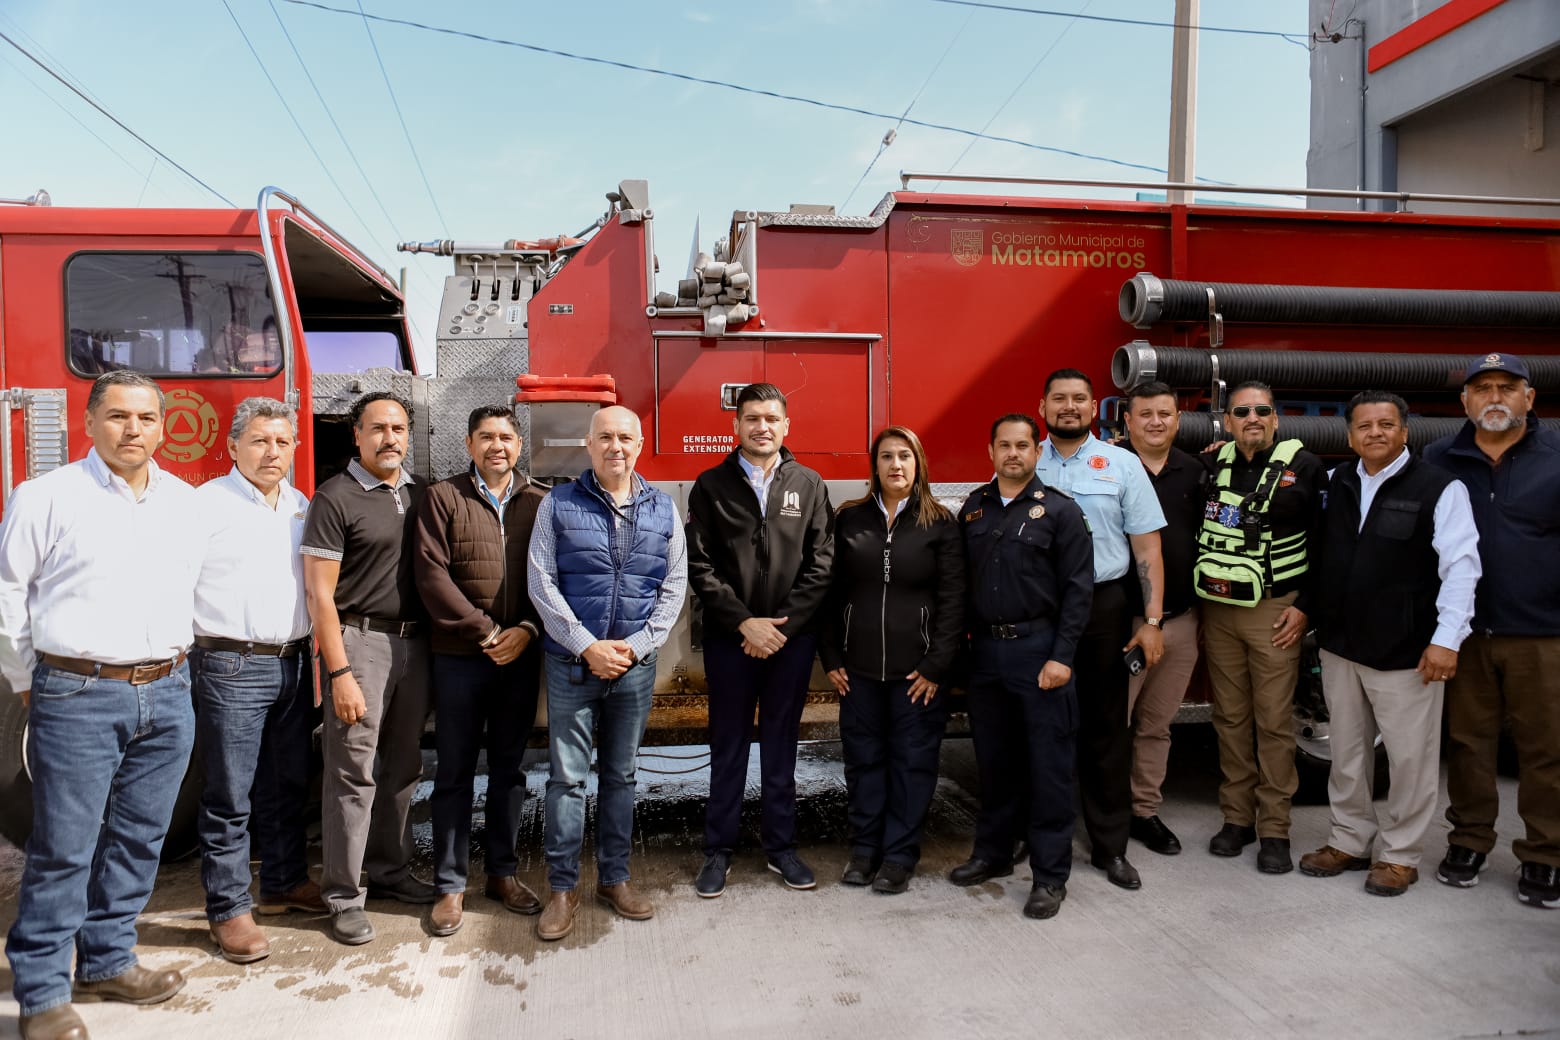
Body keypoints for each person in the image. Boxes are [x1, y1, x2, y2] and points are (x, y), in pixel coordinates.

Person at [0, 371, 201, 1040]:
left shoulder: (181, 501)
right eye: (118, 417)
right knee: (64, 848)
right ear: (90, 424)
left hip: (169, 691)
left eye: (146, 418)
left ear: (161, 427)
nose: (134, 429)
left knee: (140, 837)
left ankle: (109, 959)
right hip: (78, 692)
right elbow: (8, 598)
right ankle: (41, 995)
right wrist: (28, 680)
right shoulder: (45, 497)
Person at [1301, 391, 1480, 896]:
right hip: (1340, 647)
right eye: (1363, 426)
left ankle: (1400, 855)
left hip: (1406, 652)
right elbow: (1325, 556)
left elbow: (1461, 570)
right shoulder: (1338, 483)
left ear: (1405, 430)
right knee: (1347, 754)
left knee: (1409, 760)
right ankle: (1350, 840)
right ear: (1350, 435)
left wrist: (1447, 640)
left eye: (1385, 424)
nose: (1374, 433)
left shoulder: (1440, 488)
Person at [527, 405, 687, 939]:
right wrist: (586, 646)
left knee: (620, 776)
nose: (615, 446)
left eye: (625, 437)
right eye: (604, 438)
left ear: (639, 444)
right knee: (567, 780)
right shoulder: (558, 503)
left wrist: (639, 645)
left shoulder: (663, 508)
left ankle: (615, 879)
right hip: (573, 666)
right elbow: (541, 583)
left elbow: (673, 588)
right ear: (588, 445)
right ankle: (562, 889)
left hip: (633, 669)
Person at [1423, 353, 1560, 909]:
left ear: (1531, 398)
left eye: (1508, 387)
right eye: (1482, 389)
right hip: (1467, 632)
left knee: (1546, 749)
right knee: (1468, 744)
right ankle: (1469, 841)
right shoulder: (1439, 458)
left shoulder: (1557, 458)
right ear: (1465, 402)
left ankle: (1546, 854)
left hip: (1543, 633)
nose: (1495, 397)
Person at [688, 382, 834, 897]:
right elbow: (700, 566)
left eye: (771, 418)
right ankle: (718, 851)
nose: (761, 427)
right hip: (733, 641)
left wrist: (782, 627)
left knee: (781, 748)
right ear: (736, 425)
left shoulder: (809, 485)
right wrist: (744, 623)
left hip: (790, 643)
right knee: (726, 746)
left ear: (786, 425)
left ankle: (781, 848)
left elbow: (822, 564)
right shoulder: (710, 485)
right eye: (751, 418)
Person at [192, 397, 322, 965]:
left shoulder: (298, 505)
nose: (273, 453)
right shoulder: (204, 505)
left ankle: (284, 883)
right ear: (234, 447)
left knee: (287, 783)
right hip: (229, 665)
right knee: (230, 793)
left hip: (292, 662)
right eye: (260, 442)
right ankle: (227, 908)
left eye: (282, 442)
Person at [950, 414, 1094, 919]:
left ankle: (1050, 877)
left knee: (1048, 770)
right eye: (1004, 446)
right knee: (994, 764)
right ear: (990, 451)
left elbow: (1078, 591)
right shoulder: (973, 510)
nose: (1013, 454)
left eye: (1023, 445)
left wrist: (1062, 657)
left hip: (1039, 654)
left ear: (1037, 452)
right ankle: (993, 855)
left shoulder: (1060, 512)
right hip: (986, 656)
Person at [301, 391, 432, 946]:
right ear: (356, 435)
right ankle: (345, 896)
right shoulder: (335, 498)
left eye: (399, 428)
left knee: (403, 767)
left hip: (415, 647)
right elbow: (319, 596)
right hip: (361, 643)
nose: (390, 438)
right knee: (353, 773)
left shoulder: (420, 493)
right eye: (378, 428)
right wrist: (339, 672)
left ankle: (390, 870)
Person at [414, 406, 546, 938]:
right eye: (486, 437)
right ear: (468, 444)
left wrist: (528, 631)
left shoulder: (541, 501)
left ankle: (502, 874)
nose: (497, 445)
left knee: (511, 771)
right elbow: (430, 574)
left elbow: (555, 575)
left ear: (519, 445)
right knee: (453, 772)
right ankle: (450, 885)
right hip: (461, 659)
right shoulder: (443, 497)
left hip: (520, 655)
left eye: (506, 437)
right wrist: (486, 632)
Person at [1035, 369, 1166, 891]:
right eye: (1059, 399)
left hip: (1102, 606)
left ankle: (1110, 847)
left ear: (1095, 408)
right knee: (1041, 728)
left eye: (1079, 399)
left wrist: (1152, 620)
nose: (1069, 407)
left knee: (1106, 730)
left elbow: (1148, 551)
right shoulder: (1024, 456)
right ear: (1042, 405)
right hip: (1038, 608)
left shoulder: (1122, 465)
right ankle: (1039, 833)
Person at [820, 427, 966, 894]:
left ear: (919, 463)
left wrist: (936, 665)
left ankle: (900, 855)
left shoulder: (940, 523)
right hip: (857, 672)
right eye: (886, 457)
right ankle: (864, 851)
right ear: (874, 466)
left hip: (916, 675)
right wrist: (831, 655)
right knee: (863, 762)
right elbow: (828, 593)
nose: (896, 465)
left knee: (912, 764)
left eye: (905, 456)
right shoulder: (850, 520)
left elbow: (953, 601)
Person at [1195, 381, 1327, 874]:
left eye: (1262, 411)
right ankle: (1237, 819)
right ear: (1226, 422)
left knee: (1273, 722)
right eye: (1241, 411)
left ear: (1276, 419)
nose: (1252, 418)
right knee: (1229, 718)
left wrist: (1305, 607)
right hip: (1218, 608)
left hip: (1275, 610)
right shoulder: (1209, 464)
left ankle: (1275, 829)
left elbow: (1326, 543)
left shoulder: (1307, 467)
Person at [1120, 382, 1207, 856]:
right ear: (1127, 421)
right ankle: (1105, 812)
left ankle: (1144, 811)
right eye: (1146, 414)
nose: (1156, 422)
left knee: (1157, 724)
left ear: (1177, 420)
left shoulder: (1197, 471)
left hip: (1181, 621)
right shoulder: (1110, 466)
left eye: (1165, 414)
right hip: (1125, 623)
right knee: (1113, 723)